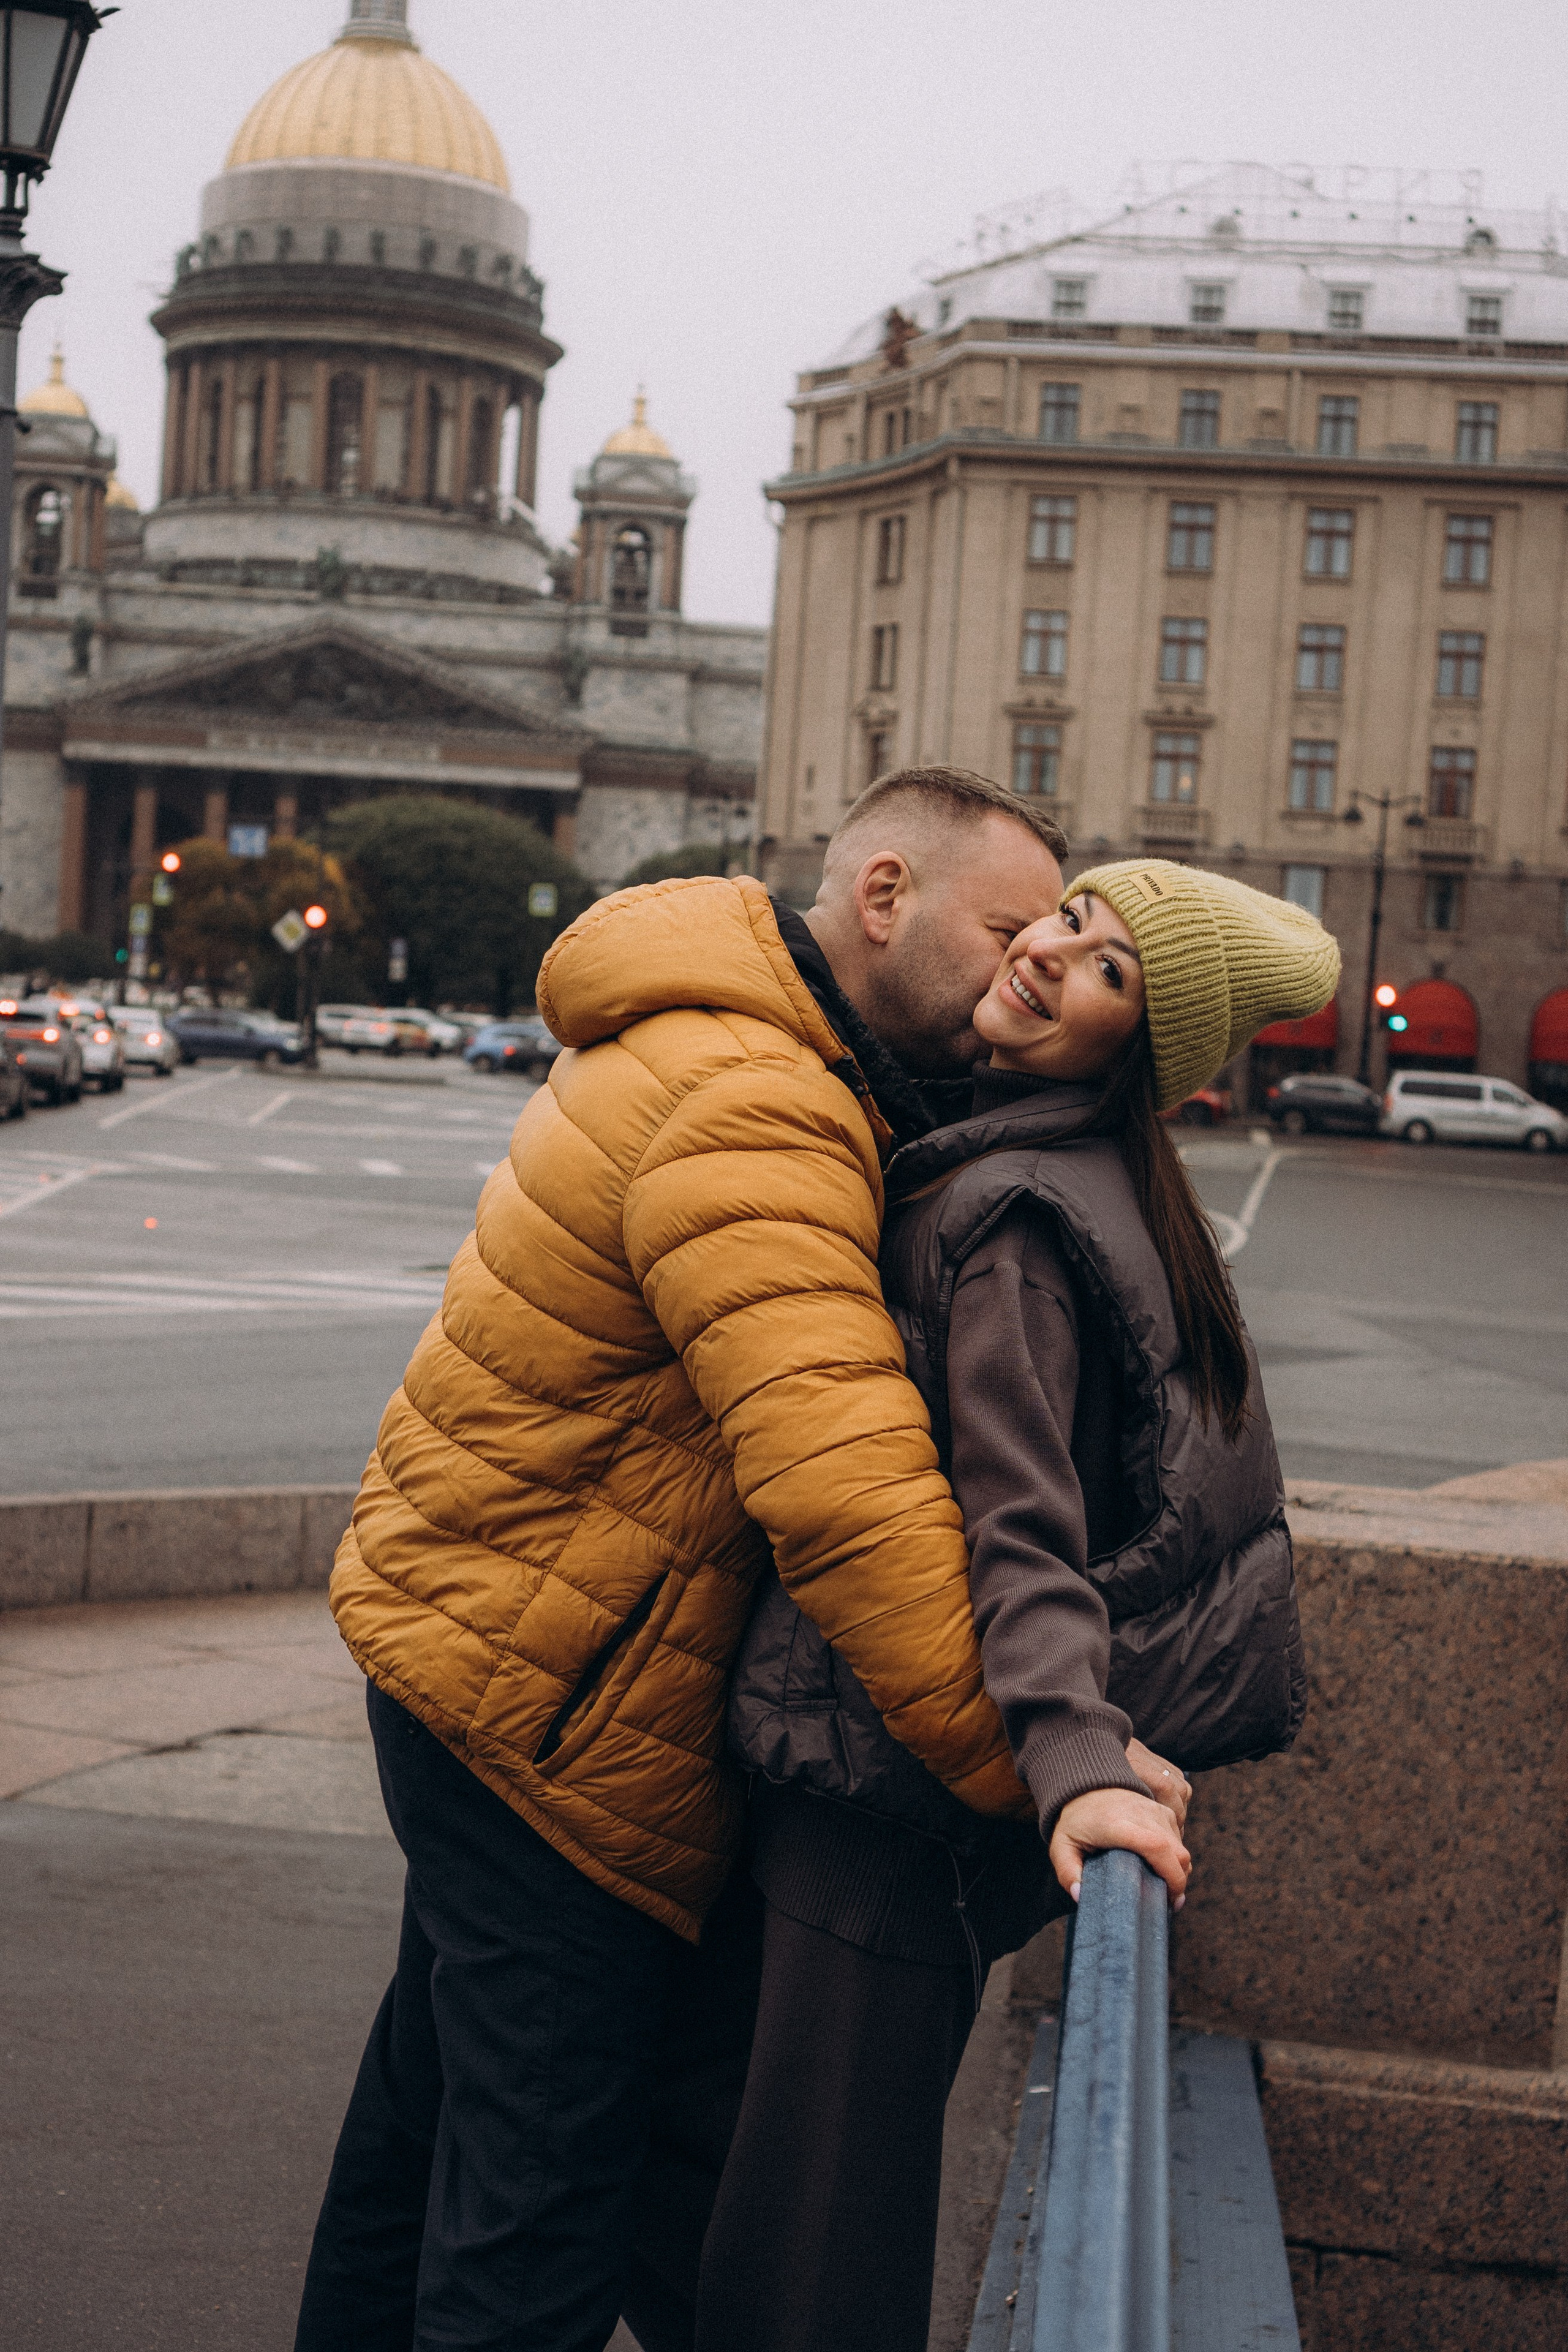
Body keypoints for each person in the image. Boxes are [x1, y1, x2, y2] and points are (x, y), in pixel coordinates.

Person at [293, 767, 1068, 2352]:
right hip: (559, 1724)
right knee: (532, 2229)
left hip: (480, 1658)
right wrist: (1032, 1757)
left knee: (421, 2138)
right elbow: (843, 1482)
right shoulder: (761, 1103)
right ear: (881, 897)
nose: (1023, 971)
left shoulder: (733, 1037)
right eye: (1003, 930)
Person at [703, 861, 1340, 2352]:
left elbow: (1022, 1528)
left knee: (805, 2264)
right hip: (911, 1802)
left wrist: (1069, 1749)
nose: (1056, 957)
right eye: (1070, 921)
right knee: (763, 2220)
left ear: (1137, 1052)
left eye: (1111, 972)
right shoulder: (1085, 1186)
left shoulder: (1013, 1217)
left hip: (877, 1807)